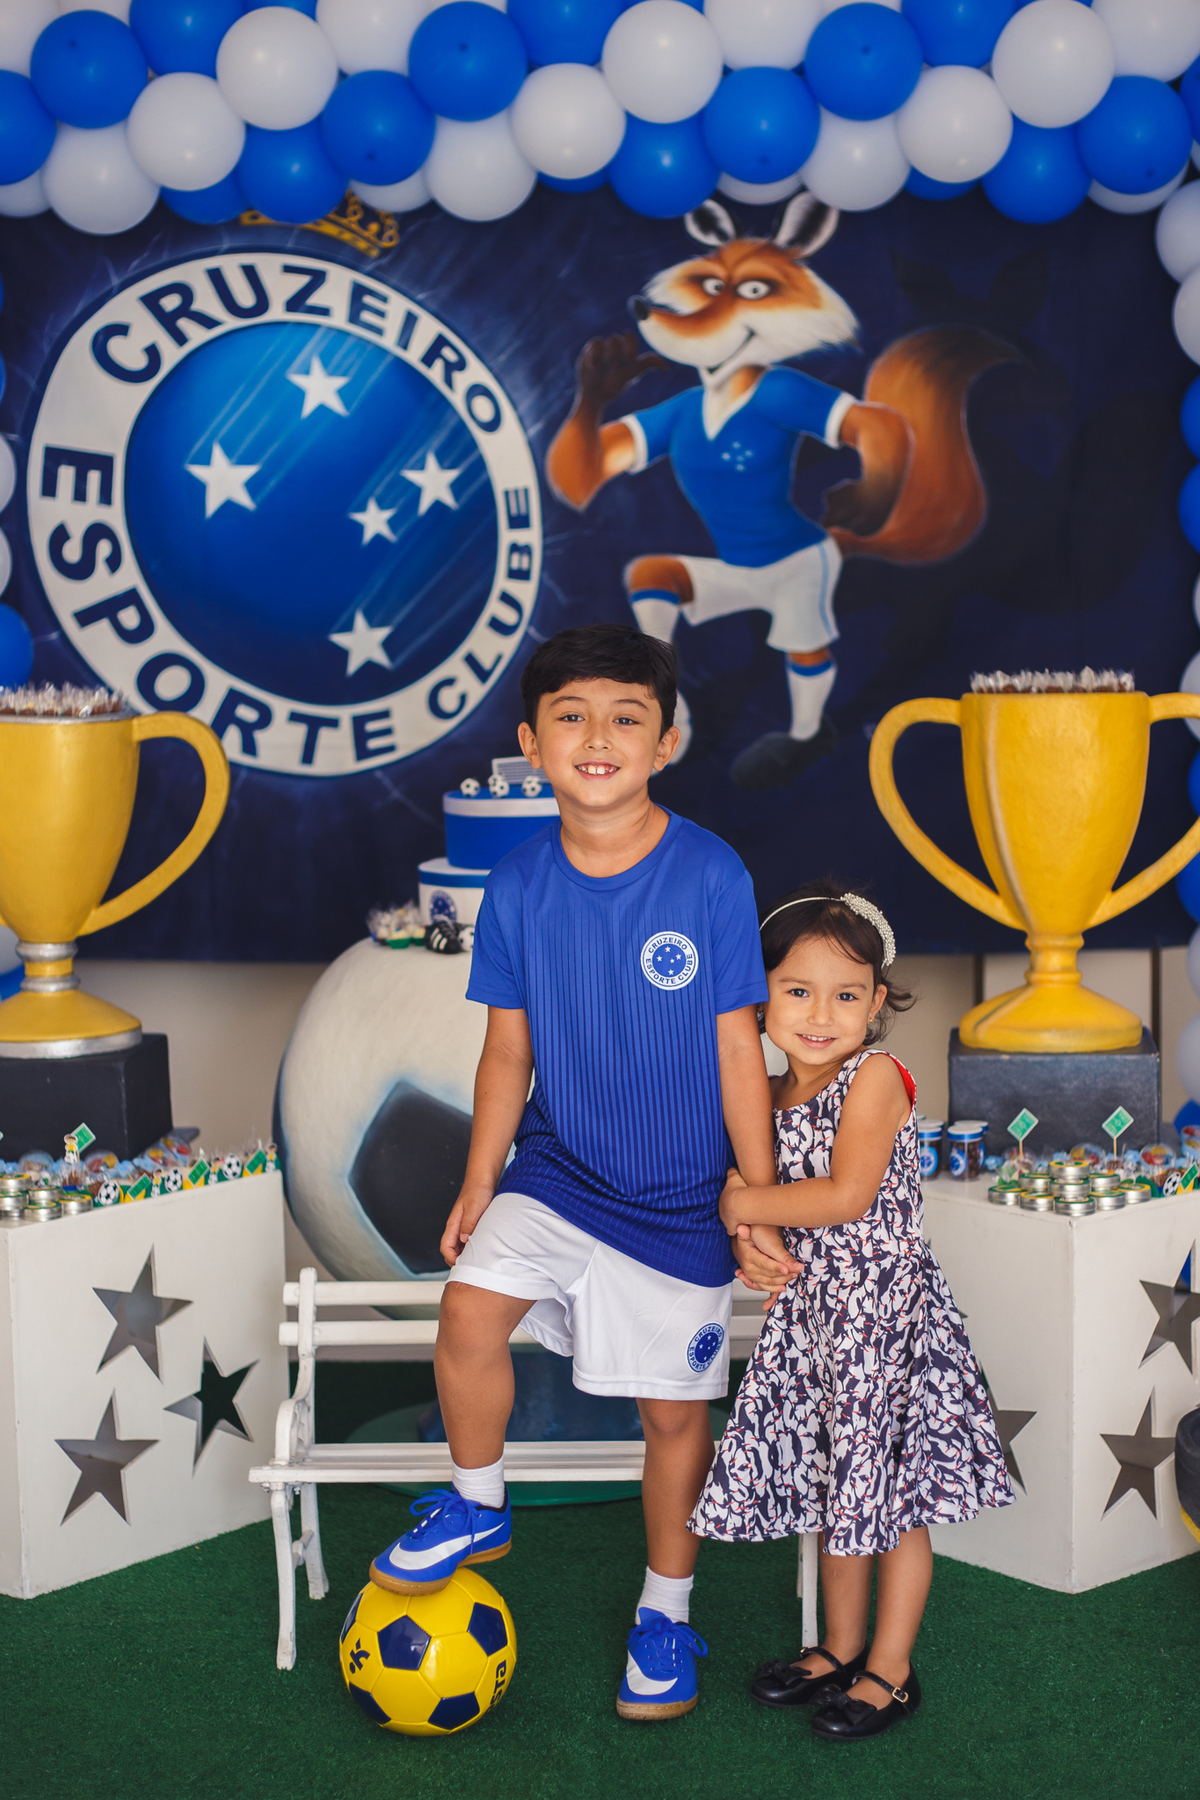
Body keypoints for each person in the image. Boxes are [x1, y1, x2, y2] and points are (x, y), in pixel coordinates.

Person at [368, 622, 796, 1721]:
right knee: (466, 1315)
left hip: (679, 1197)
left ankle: (667, 1609)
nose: (597, 737)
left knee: (670, 1419)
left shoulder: (707, 872)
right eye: (571, 716)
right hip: (559, 1171)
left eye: (625, 717)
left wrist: (750, 1196)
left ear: (663, 741)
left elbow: (737, 1048)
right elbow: (507, 1048)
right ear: (530, 741)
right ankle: (476, 1502)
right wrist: (478, 1181)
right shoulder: (516, 885)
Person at [689, 882, 1013, 1742]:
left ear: (877, 1004)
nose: (820, 1014)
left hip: (885, 1321)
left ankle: (892, 1669)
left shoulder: (874, 1079)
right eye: (797, 991)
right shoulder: (763, 1092)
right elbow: (750, 1185)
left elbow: (842, 1195)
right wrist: (739, 1202)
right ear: (762, 999)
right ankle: (837, 1647)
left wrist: (739, 1205)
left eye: (846, 994)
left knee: (892, 1499)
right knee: (844, 1486)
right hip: (818, 1325)